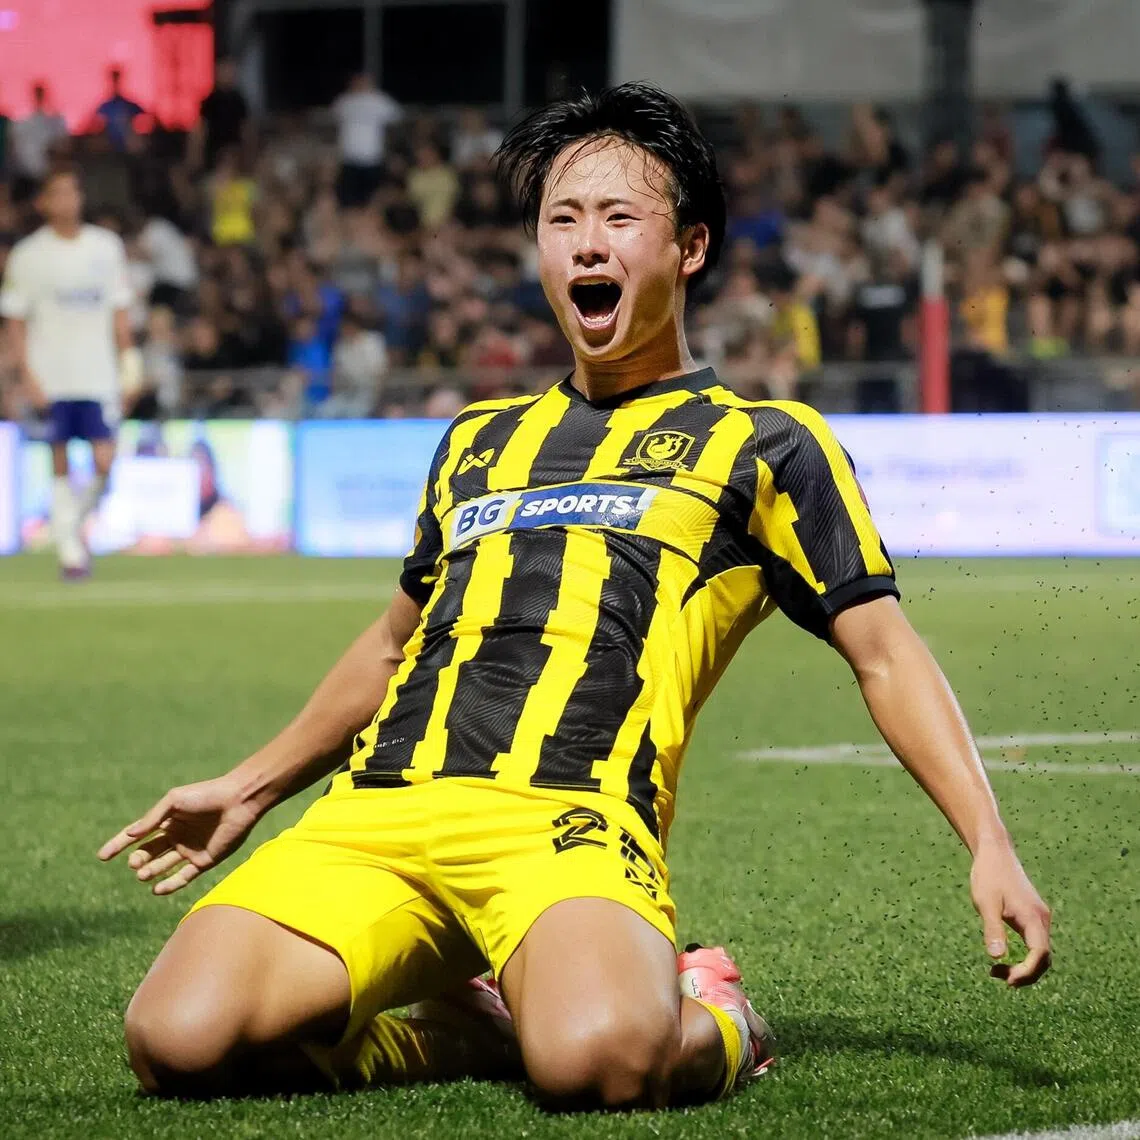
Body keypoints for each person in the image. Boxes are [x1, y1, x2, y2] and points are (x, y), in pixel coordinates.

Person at [101, 83, 1051, 1110]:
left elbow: (885, 654)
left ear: (688, 247)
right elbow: (391, 650)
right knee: (176, 1040)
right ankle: (469, 1034)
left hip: (572, 824)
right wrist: (247, 789)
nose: (586, 245)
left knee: (599, 1062)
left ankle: (717, 1013)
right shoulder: (478, 438)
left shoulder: (767, 442)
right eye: (563, 220)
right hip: (380, 815)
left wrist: (988, 839)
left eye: (618, 218)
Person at [0, 165, 140, 577]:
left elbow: (120, 313)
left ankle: (70, 529)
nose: (67, 201)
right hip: (53, 374)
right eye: (57, 193)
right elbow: (15, 320)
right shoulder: (28, 256)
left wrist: (130, 367)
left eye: (72, 192)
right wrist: (27, 373)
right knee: (58, 457)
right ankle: (70, 553)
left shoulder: (105, 247)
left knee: (104, 460)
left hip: (98, 374)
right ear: (43, 202)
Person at [332, 74, 402, 209]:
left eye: (362, 81)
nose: (359, 84)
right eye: (356, 81)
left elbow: (397, 116)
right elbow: (334, 116)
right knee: (348, 198)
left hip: (372, 158)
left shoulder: (379, 100)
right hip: (349, 158)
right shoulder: (345, 101)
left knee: (371, 197)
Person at [93, 67, 145, 153]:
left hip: (129, 148)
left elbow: (145, 116)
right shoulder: (105, 106)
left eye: (117, 79)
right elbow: (95, 122)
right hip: (110, 147)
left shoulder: (129, 105)